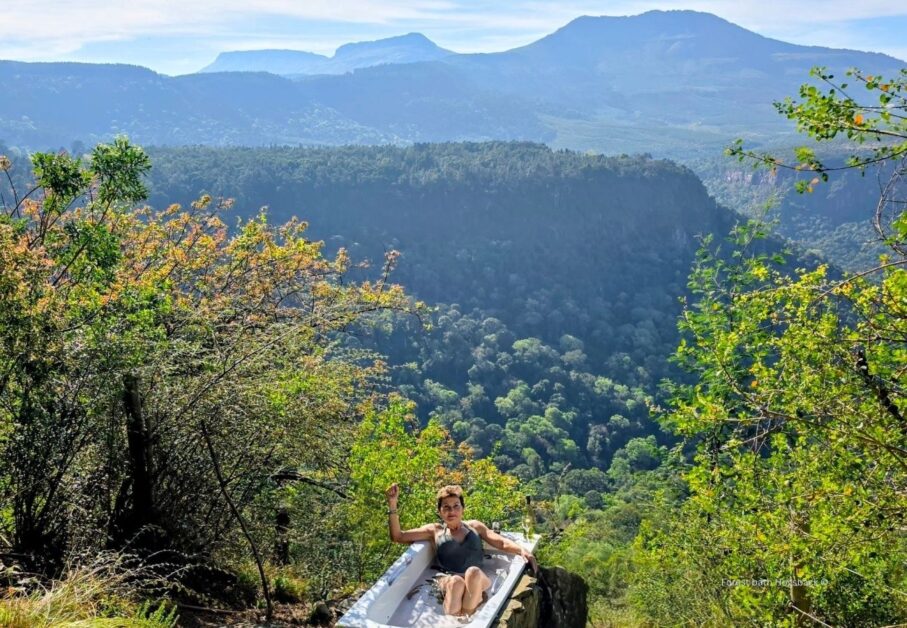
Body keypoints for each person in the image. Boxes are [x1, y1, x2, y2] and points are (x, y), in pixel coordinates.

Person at [385, 483, 538, 616]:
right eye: (446, 507)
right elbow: (398, 536)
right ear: (440, 512)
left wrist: (522, 551)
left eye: (456, 506)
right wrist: (392, 504)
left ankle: (466, 614)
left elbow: (501, 543)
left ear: (463, 509)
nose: (451, 511)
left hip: (477, 579)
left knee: (473, 571)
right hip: (449, 580)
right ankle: (461, 616)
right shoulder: (435, 531)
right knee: (456, 581)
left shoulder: (475, 526)